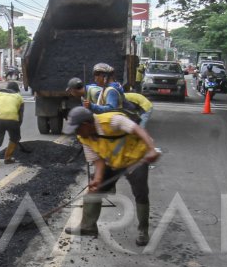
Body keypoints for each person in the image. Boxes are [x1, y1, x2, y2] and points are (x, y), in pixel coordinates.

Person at [64, 106, 161, 247]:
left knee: (140, 192)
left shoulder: (112, 121)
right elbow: (98, 160)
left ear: (86, 125)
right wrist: (97, 179)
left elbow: (138, 129)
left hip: (136, 158)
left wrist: (152, 149)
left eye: (77, 129)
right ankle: (88, 226)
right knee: (94, 190)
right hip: (113, 161)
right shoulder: (84, 137)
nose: (76, 133)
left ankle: (143, 231)